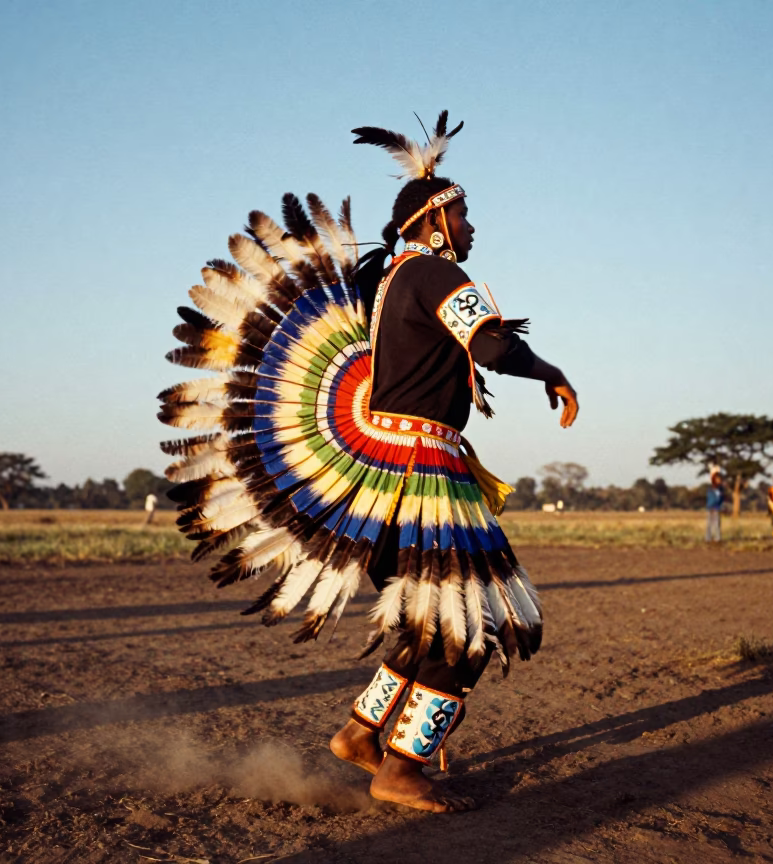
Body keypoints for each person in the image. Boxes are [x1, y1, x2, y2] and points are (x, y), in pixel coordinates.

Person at [156, 111, 579, 814]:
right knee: (473, 628)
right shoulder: (437, 273)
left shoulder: (395, 285)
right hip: (418, 474)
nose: (473, 229)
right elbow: (493, 348)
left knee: (426, 620)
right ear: (434, 222)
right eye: (465, 216)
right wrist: (553, 370)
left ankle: (361, 733)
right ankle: (402, 766)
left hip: (389, 476)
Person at [705, 472, 724, 542]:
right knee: (709, 524)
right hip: (710, 507)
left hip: (716, 508)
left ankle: (717, 539)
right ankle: (708, 538)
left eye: (719, 479)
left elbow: (721, 498)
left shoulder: (721, 489)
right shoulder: (711, 488)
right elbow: (710, 498)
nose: (718, 480)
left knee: (717, 524)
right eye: (717, 479)